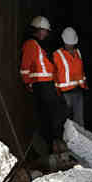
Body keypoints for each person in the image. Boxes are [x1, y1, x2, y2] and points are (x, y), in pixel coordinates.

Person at [19, 16, 68, 153]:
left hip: (47, 85)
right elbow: (25, 66)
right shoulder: (30, 44)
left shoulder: (40, 45)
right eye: (45, 31)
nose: (46, 33)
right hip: (41, 86)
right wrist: (28, 83)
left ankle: (55, 142)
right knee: (49, 115)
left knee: (56, 112)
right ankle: (51, 146)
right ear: (38, 30)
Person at [53, 26, 87, 128]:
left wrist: (84, 84)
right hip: (65, 94)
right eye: (68, 43)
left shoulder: (78, 52)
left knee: (79, 121)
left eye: (72, 43)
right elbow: (53, 75)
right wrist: (56, 92)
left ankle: (79, 137)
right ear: (63, 41)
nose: (70, 45)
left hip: (78, 91)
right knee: (65, 120)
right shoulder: (56, 54)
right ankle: (65, 137)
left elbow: (81, 71)